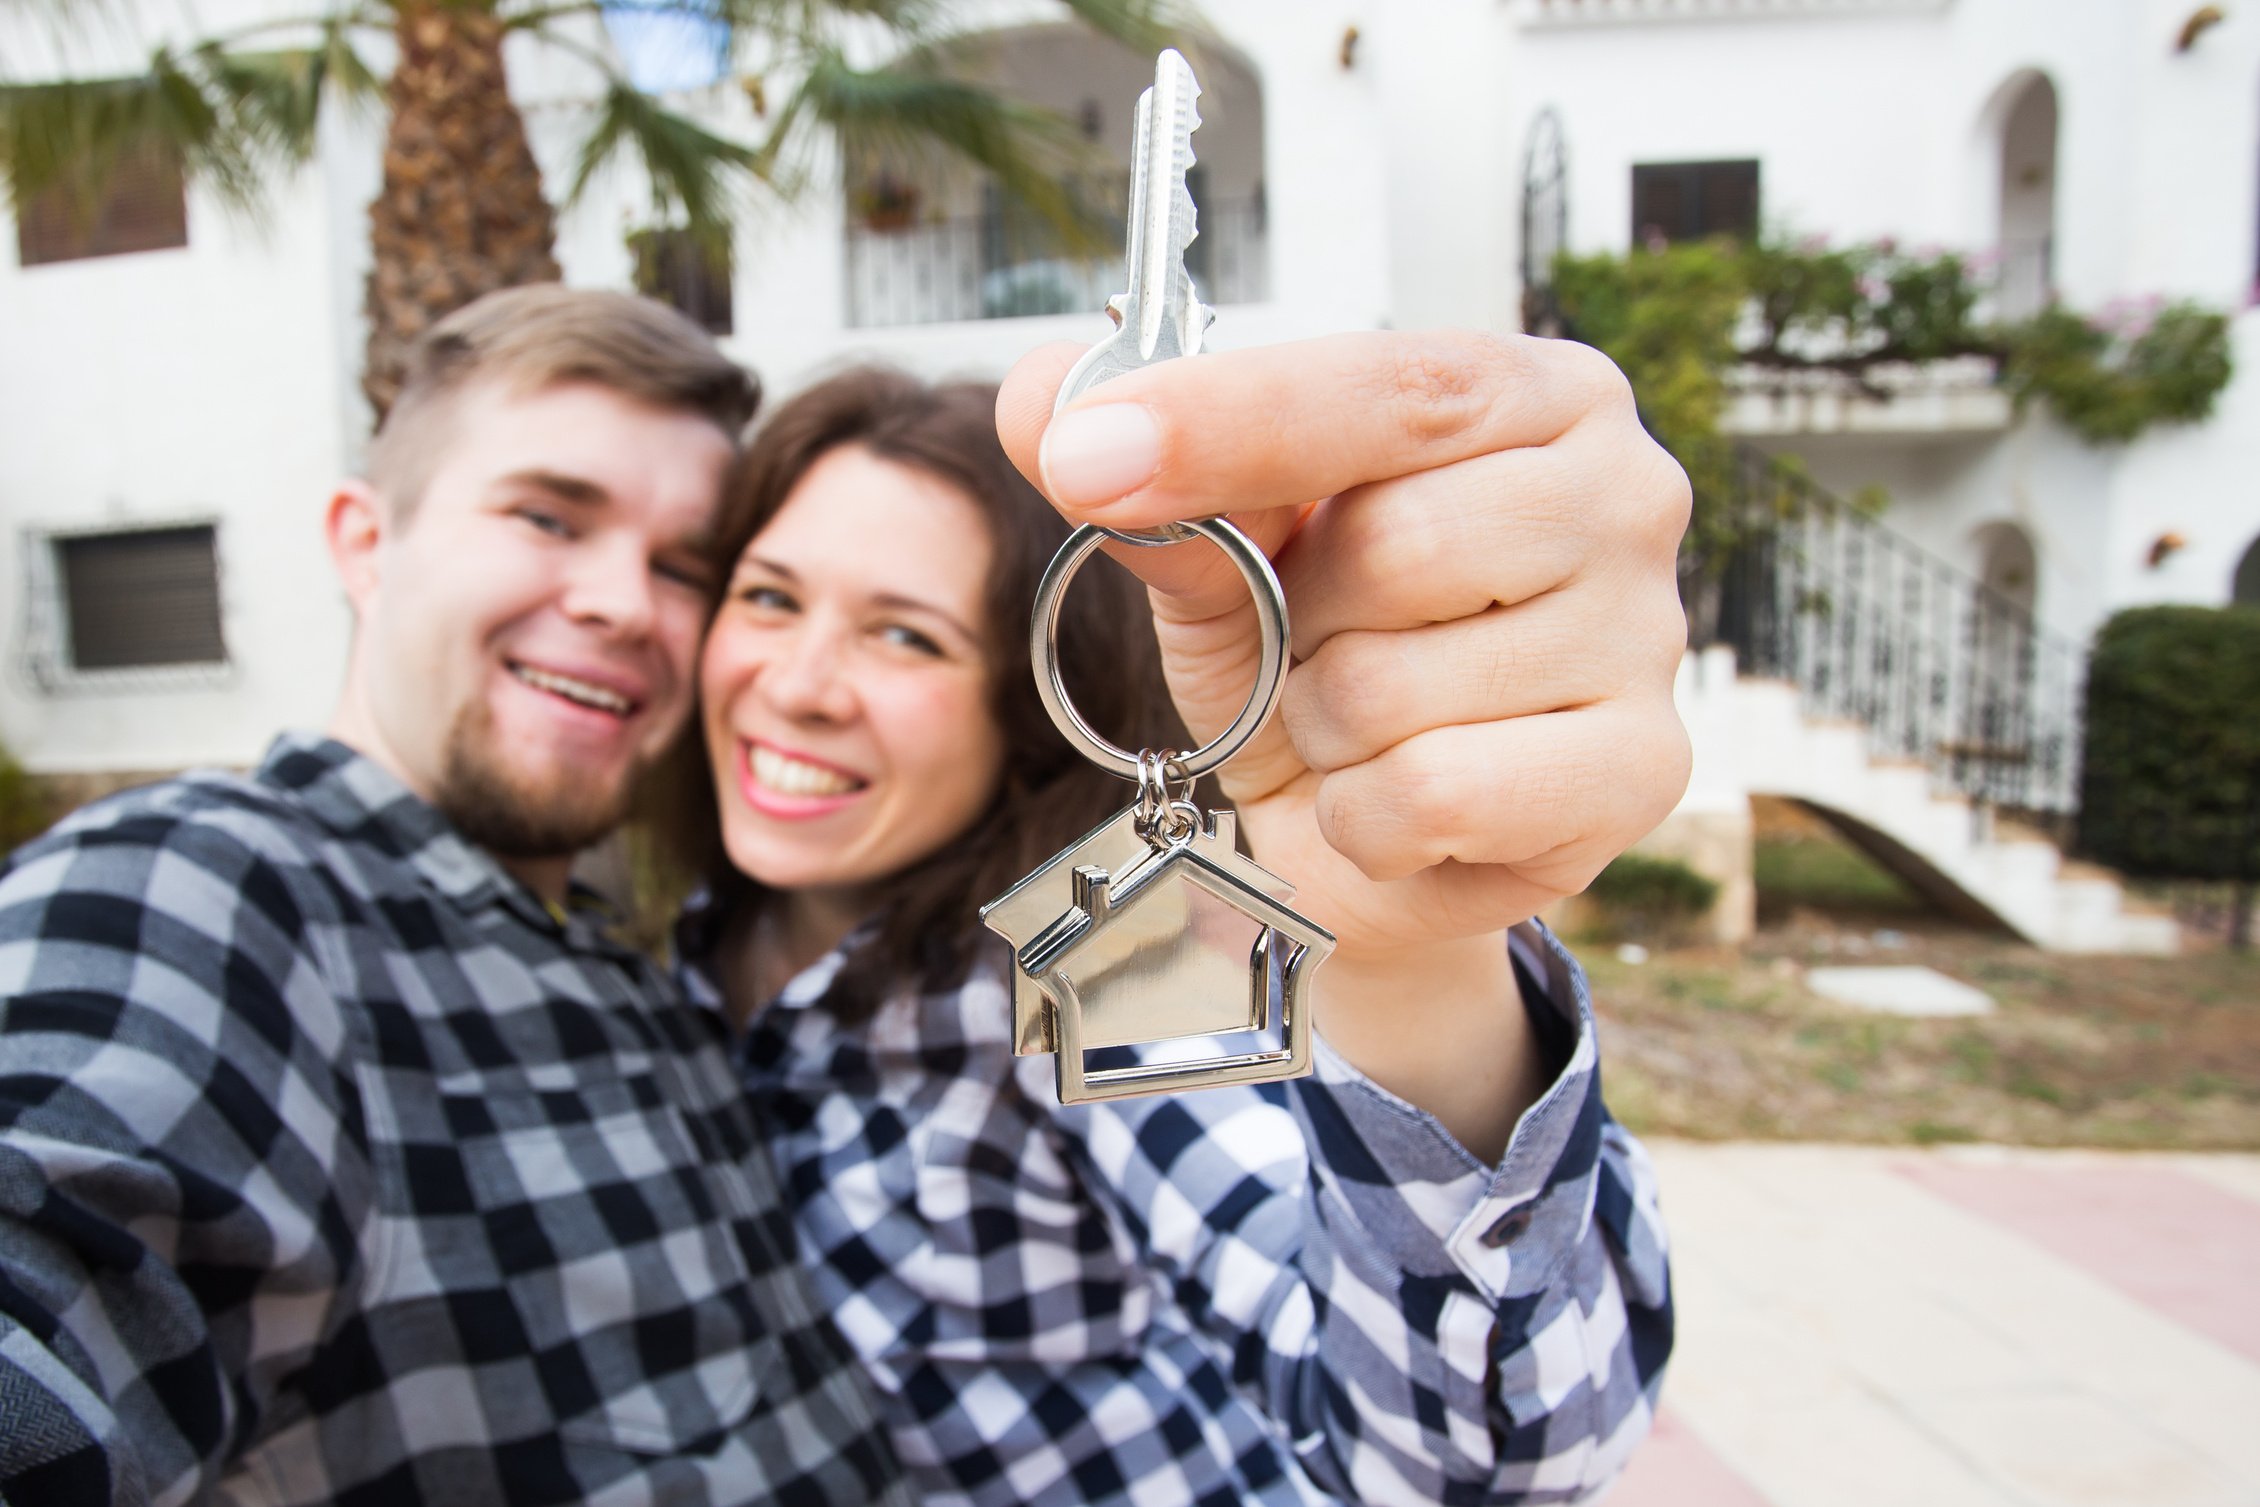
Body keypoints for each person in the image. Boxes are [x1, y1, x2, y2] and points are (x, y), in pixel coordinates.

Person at [668, 357, 1687, 1505]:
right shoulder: (662, 936)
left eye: (907, 637)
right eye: (768, 598)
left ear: (1036, 701)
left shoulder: (1119, 952)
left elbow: (1472, 1460)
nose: (799, 684)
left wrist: (1415, 959)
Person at [0, 288, 907, 1505]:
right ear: (364, 543)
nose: (623, 603)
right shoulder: (214, 887)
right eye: (546, 514)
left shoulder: (647, 965)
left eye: (685, 566)